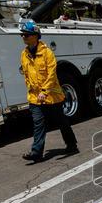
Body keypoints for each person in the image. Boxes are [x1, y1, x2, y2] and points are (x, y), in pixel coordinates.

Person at [19, 20, 78, 161]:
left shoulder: (47, 53)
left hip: (52, 96)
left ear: (35, 36)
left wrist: (44, 91)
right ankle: (36, 153)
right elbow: (26, 74)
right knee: (38, 123)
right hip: (34, 97)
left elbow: (52, 75)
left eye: (26, 35)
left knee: (61, 122)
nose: (23, 37)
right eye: (22, 35)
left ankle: (72, 144)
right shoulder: (24, 54)